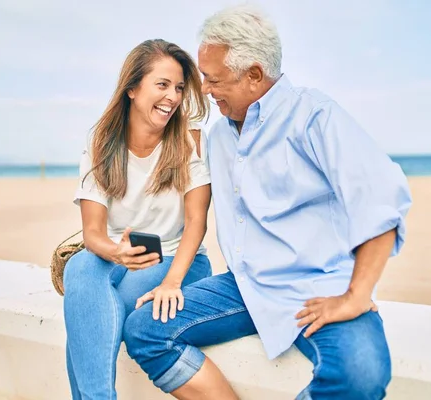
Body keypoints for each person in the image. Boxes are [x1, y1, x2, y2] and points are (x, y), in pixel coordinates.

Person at [123, 6, 413, 400]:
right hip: (244, 286)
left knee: (361, 374)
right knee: (144, 329)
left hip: (317, 285)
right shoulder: (219, 135)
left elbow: (382, 200)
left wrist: (356, 296)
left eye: (213, 79)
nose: (204, 90)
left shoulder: (314, 116)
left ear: (255, 75)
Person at [63, 39, 212, 399]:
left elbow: (196, 222)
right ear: (132, 88)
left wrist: (173, 282)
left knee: (96, 315)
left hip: (179, 260)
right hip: (117, 255)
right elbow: (93, 232)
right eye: (162, 85)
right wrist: (117, 254)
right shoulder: (102, 141)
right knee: (80, 268)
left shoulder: (189, 140)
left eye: (178, 87)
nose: (173, 97)